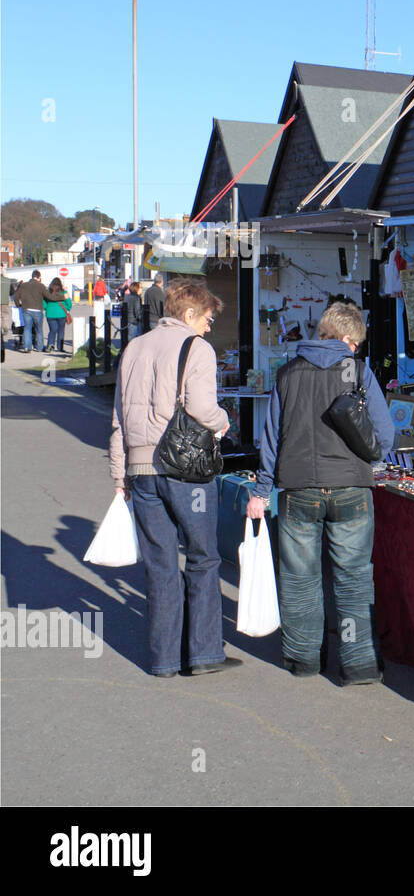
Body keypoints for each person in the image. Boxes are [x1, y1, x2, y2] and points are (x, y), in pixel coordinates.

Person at [246, 301, 395, 684]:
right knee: (353, 577)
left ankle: (303, 660)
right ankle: (359, 663)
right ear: (346, 339)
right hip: (351, 488)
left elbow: (271, 440)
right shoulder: (356, 371)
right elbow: (385, 435)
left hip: (297, 490)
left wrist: (261, 491)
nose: (356, 351)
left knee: (299, 578)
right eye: (356, 344)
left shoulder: (288, 373)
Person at [109, 280, 238, 677]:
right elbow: (201, 407)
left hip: (141, 469)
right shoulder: (196, 348)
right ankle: (203, 654)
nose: (210, 327)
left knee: (160, 564)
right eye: (208, 318)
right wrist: (225, 421)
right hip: (183, 469)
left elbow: (117, 421)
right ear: (189, 315)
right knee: (203, 558)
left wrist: (119, 478)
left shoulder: (133, 347)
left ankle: (164, 659)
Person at [16, 270, 51, 353]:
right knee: (39, 329)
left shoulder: (24, 285)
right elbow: (49, 297)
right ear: (39, 277)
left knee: (27, 328)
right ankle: (39, 347)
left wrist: (19, 305)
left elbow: (16, 296)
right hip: (38, 310)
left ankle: (27, 347)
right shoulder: (41, 286)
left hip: (26, 309)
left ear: (32, 276)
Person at [43, 277, 73, 354]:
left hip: (50, 314)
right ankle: (60, 347)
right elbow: (69, 303)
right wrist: (67, 309)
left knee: (52, 330)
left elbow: (44, 304)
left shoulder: (48, 293)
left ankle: (50, 345)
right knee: (61, 331)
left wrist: (48, 308)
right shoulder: (63, 293)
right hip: (61, 314)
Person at [120, 281, 143, 350]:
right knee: (134, 343)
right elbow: (138, 312)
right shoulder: (136, 298)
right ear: (137, 289)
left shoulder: (126, 297)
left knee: (127, 343)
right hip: (134, 323)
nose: (141, 289)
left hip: (126, 322)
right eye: (140, 288)